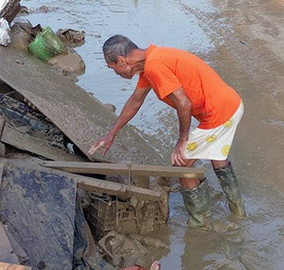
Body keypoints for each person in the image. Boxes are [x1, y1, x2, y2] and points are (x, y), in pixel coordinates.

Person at [92, 36, 246, 226]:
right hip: (231, 104)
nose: (114, 72)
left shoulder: (154, 66)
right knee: (217, 158)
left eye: (112, 67)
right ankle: (238, 213)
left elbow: (184, 103)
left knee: (181, 166)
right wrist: (111, 133)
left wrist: (182, 140)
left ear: (122, 61)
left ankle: (200, 224)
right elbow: (135, 101)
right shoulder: (151, 61)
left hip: (218, 113)